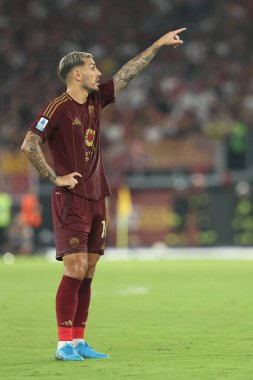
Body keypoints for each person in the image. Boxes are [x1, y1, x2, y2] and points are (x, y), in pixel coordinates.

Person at [21, 27, 186, 361]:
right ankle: (63, 344)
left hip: (98, 195)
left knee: (90, 268)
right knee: (75, 267)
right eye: (93, 67)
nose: (99, 72)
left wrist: (156, 44)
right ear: (77, 74)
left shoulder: (96, 99)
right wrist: (56, 178)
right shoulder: (57, 107)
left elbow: (128, 72)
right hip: (72, 199)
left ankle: (79, 340)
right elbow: (29, 144)